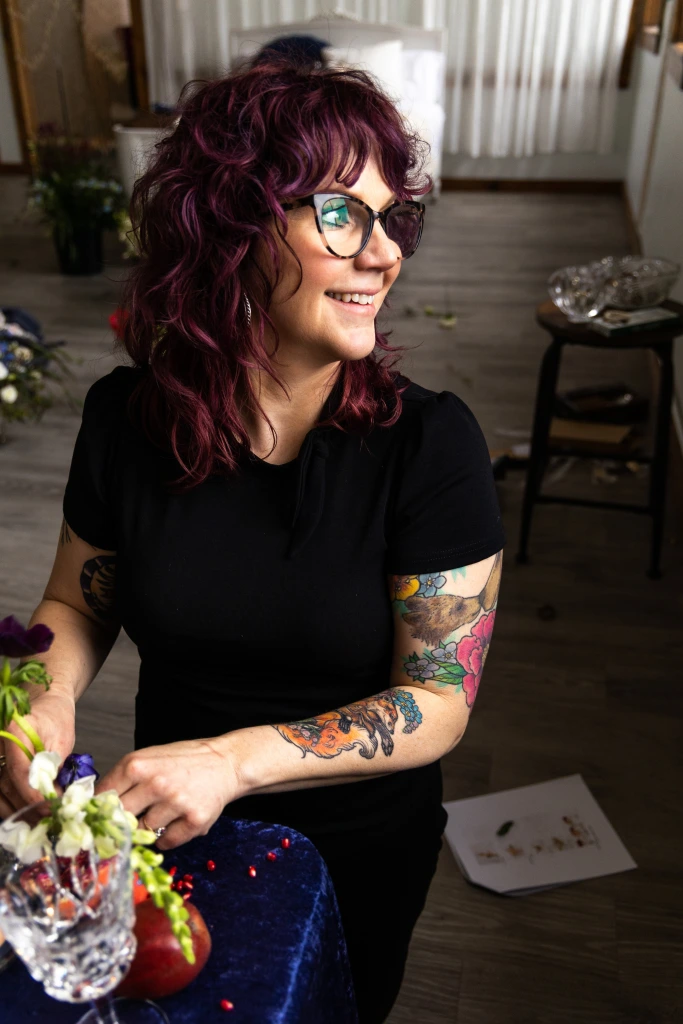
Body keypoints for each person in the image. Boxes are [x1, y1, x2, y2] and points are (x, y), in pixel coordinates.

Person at [0, 57, 505, 1023]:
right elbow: (76, 600)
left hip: (352, 848)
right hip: (175, 834)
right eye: (341, 214)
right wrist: (45, 697)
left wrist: (232, 761)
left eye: (390, 215)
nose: (386, 253)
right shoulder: (125, 419)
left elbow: (436, 701)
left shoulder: (430, 447)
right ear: (231, 227)